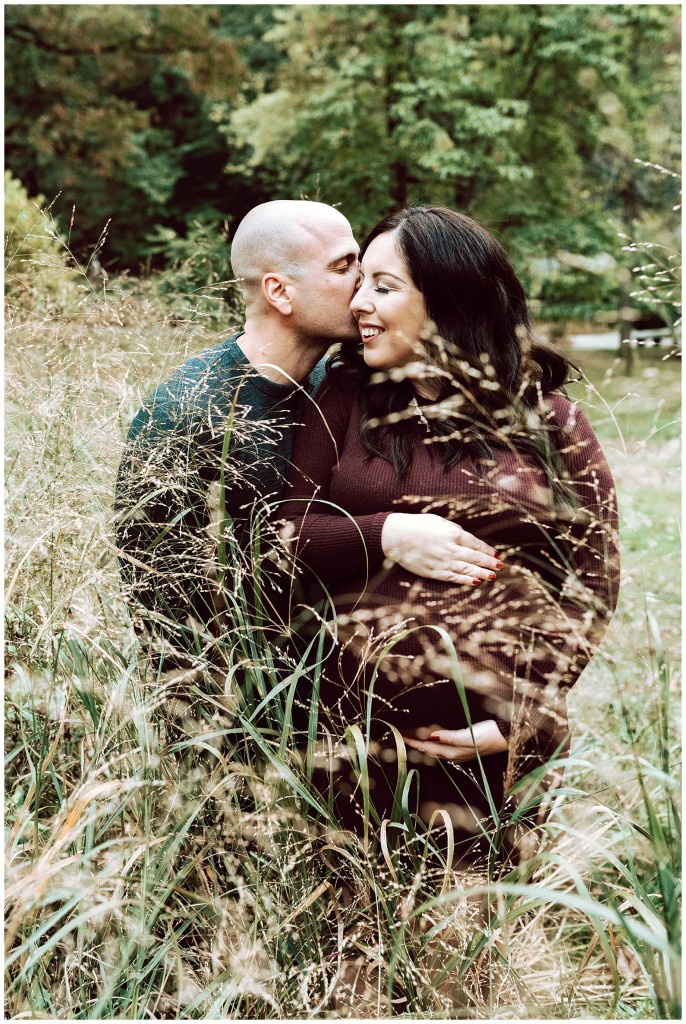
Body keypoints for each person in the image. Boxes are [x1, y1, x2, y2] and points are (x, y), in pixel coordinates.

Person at [281, 206, 620, 865]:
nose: (359, 303)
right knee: (353, 935)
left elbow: (593, 582)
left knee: (470, 934)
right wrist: (386, 535)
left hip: (490, 751)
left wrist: (524, 717)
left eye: (384, 286)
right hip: (353, 742)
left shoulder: (550, 423)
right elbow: (284, 533)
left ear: (446, 300)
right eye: (360, 283)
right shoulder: (345, 400)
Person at [114, 200, 502, 675]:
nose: (363, 286)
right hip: (243, 709)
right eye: (344, 267)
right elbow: (159, 599)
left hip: (361, 695)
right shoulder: (186, 414)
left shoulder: (350, 383)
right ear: (279, 291)